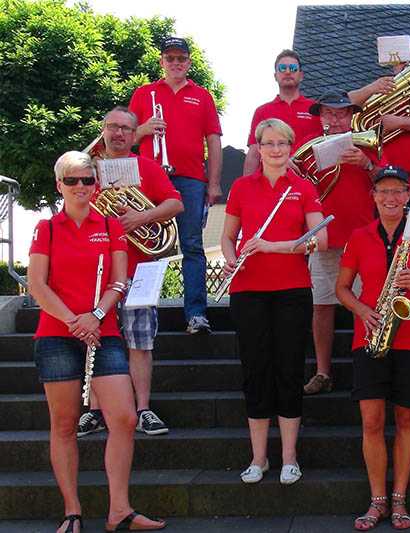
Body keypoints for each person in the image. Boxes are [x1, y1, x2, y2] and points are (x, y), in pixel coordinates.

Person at [28, 151, 165, 533]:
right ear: (60, 185)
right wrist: (74, 321)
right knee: (65, 424)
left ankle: (119, 509)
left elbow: (119, 282)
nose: (81, 187)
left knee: (122, 417)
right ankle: (72, 510)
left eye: (87, 180)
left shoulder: (110, 225)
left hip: (102, 332)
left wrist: (96, 316)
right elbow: (37, 285)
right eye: (72, 180)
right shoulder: (47, 228)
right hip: (57, 335)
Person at [336, 166, 410, 530]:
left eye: (398, 191)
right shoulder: (359, 236)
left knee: (407, 419)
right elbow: (342, 289)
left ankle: (399, 499)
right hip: (370, 336)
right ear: (374, 197)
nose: (390, 198)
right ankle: (377, 500)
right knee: (371, 421)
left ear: (409, 195)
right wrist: (363, 310)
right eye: (383, 191)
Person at [221, 118, 327, 485]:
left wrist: (274, 247)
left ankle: (289, 457)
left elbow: (321, 239)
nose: (276, 149)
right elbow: (227, 237)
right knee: (256, 372)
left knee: (288, 370)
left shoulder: (303, 188)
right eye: (269, 143)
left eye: (282, 143)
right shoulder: (240, 187)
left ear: (290, 146)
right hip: (248, 290)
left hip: (292, 290)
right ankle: (259, 457)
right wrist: (231, 256)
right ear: (258, 147)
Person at [77, 107, 184, 439]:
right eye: (112, 127)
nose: (118, 133)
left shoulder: (147, 168)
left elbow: (175, 204)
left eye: (125, 128)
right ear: (103, 129)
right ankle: (94, 410)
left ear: (135, 133)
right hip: (98, 271)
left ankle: (142, 409)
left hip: (140, 268)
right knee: (95, 338)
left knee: (140, 341)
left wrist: (142, 216)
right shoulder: (86, 171)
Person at [129, 36, 222, 335]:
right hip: (149, 178)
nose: (176, 63)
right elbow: (122, 139)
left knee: (192, 246)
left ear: (188, 62)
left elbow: (213, 141)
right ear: (162, 62)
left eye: (181, 58)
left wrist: (214, 183)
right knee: (148, 245)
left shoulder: (202, 95)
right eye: (170, 58)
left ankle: (196, 314)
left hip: (192, 179)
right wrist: (142, 129)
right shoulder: (144, 94)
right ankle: (143, 311)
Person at [301, 92, 377, 395]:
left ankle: (367, 369)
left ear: (351, 117)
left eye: (341, 114)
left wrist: (367, 164)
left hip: (361, 239)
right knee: (321, 306)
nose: (335, 120)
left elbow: (392, 185)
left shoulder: (366, 143)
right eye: (329, 114)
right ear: (320, 117)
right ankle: (322, 372)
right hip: (324, 237)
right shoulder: (308, 147)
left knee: (365, 306)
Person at [349, 44, 410, 199]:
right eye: (400, 61)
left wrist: (400, 122)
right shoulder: (381, 90)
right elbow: (344, 104)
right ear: (393, 66)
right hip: (382, 180)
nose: (406, 65)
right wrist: (371, 88)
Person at [243, 49, 322, 175]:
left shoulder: (316, 109)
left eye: (293, 68)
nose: (288, 72)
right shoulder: (262, 111)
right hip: (271, 182)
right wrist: (247, 189)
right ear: (275, 76)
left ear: (301, 75)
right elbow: (254, 155)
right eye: (282, 68)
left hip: (309, 181)